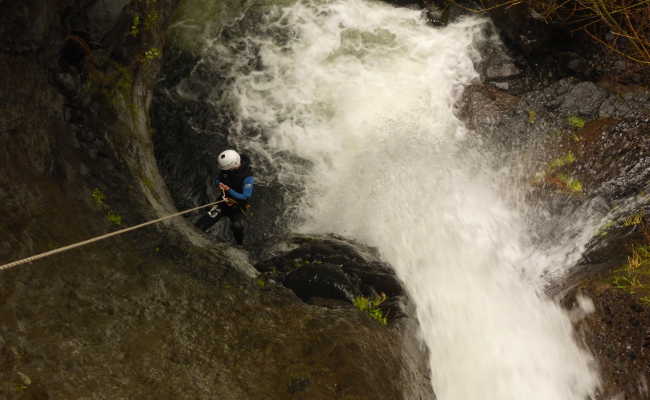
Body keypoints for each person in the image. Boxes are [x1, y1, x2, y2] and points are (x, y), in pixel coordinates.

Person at [195, 149, 254, 245]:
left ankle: (240, 245)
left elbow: (245, 196)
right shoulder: (227, 169)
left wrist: (228, 190)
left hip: (237, 206)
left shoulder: (248, 178)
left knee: (237, 226)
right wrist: (218, 183)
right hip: (223, 202)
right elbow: (219, 179)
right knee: (203, 222)